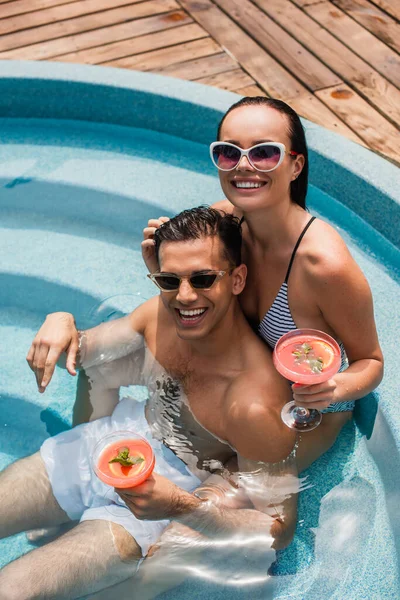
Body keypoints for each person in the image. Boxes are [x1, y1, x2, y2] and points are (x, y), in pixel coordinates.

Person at [1, 208, 299, 600]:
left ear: (237, 279)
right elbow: (88, 352)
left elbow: (277, 530)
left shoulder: (254, 404)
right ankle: (64, 513)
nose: (186, 296)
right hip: (110, 442)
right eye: (169, 280)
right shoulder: (160, 315)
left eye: (203, 278)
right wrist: (63, 322)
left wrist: (180, 507)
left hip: (160, 500)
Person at [142, 97, 384, 463]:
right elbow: (193, 295)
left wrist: (331, 388)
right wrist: (160, 266)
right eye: (228, 153)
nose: (244, 166)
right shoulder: (225, 221)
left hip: (308, 413)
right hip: (248, 395)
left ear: (295, 165)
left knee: (226, 499)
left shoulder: (322, 264)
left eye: (264, 153)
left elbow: (371, 362)